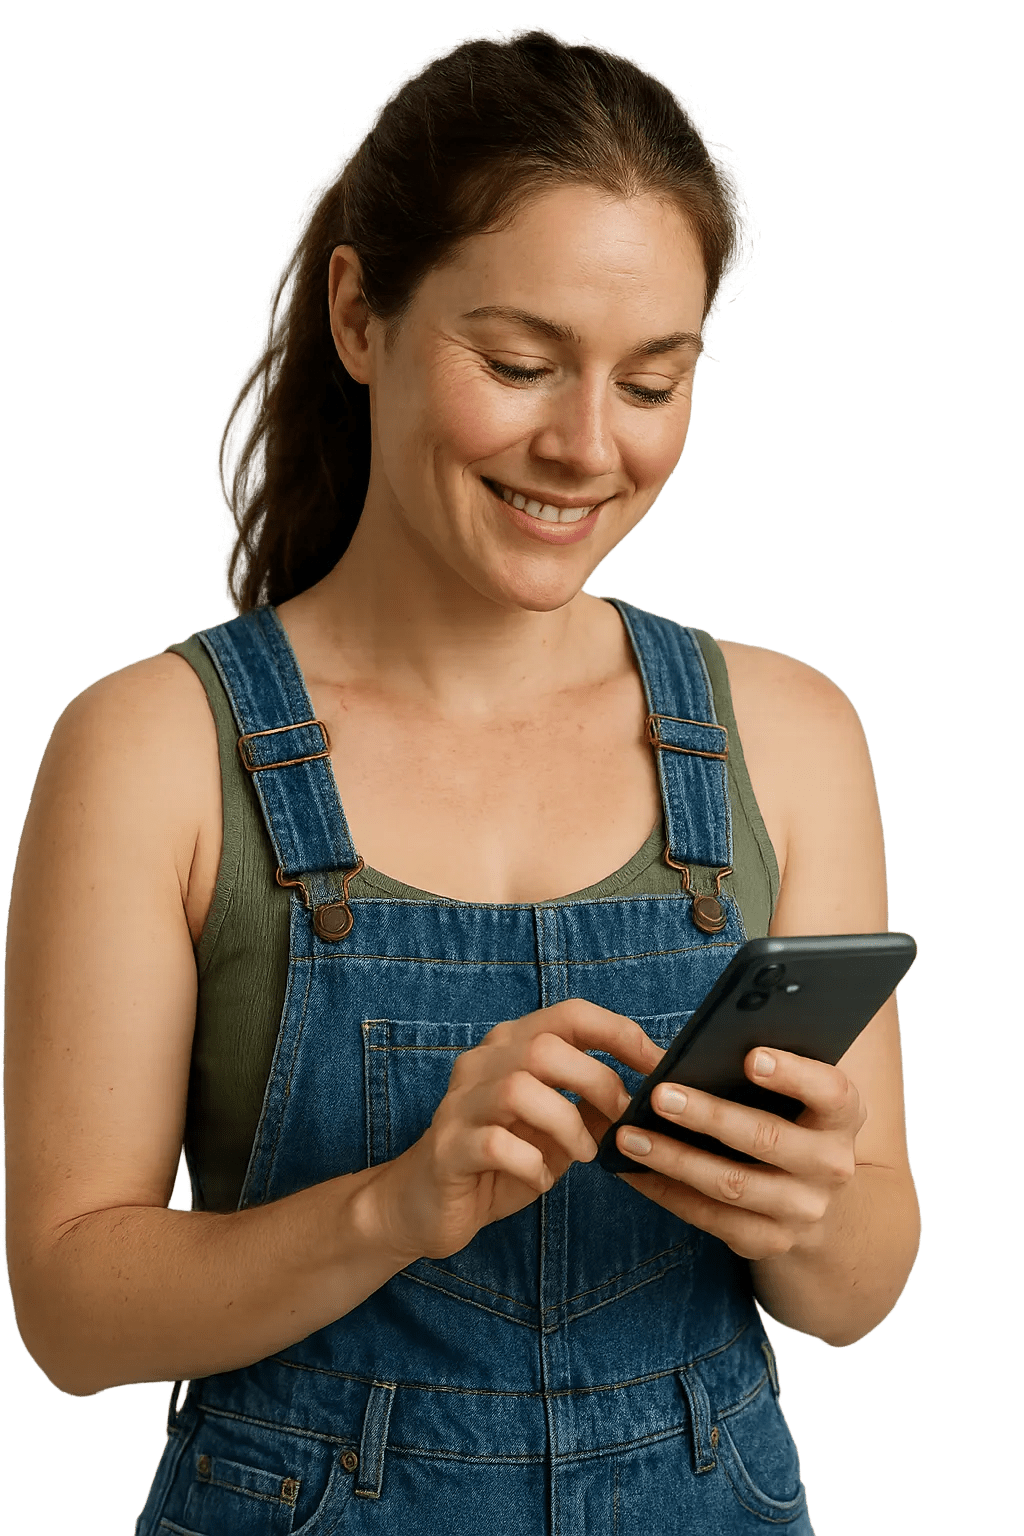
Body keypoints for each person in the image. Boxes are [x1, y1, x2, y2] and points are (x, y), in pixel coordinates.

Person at [3, 27, 921, 1535]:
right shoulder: (153, 746)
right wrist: (389, 1207)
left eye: (653, 381)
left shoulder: (793, 732)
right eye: (519, 365)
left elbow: (862, 1283)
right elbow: (68, 1311)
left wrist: (804, 1209)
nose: (586, 447)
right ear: (358, 315)